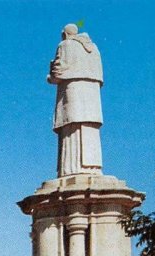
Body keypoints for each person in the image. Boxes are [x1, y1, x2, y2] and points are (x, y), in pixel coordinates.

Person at [47, 23, 104, 177]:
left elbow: (58, 72)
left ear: (65, 34)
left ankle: (72, 168)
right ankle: (92, 168)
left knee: (71, 126)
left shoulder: (65, 45)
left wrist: (50, 77)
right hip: (91, 95)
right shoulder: (95, 49)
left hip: (73, 92)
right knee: (87, 126)